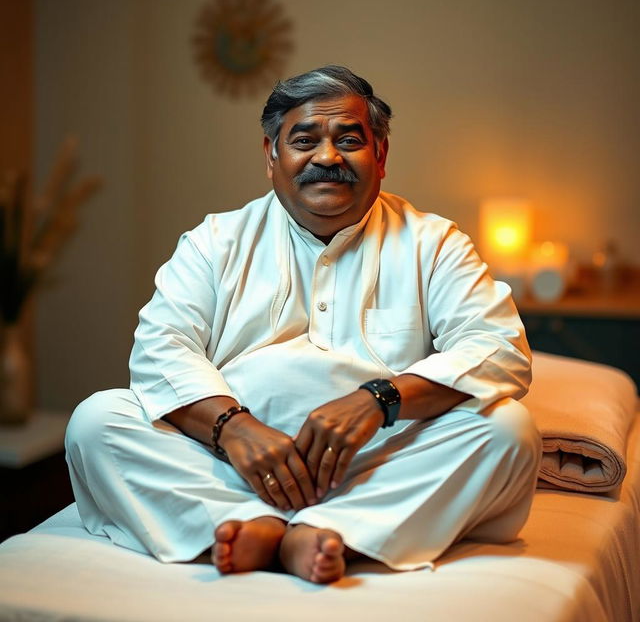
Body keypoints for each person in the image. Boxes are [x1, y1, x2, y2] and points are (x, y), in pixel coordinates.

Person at [65, 65, 541, 584]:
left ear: (380, 156)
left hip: (377, 464)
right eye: (304, 139)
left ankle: (304, 530)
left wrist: (378, 399)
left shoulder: (433, 243)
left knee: (509, 431)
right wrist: (234, 429)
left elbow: (499, 348)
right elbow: (161, 349)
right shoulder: (214, 241)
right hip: (229, 463)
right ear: (271, 156)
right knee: (96, 421)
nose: (327, 157)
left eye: (350, 140)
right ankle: (269, 524)